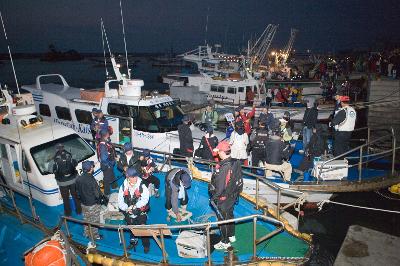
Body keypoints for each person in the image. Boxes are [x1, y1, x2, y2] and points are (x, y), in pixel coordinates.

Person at [209, 141, 243, 250]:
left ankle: (225, 242)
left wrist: (213, 198)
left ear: (222, 152)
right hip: (232, 196)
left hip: (223, 198)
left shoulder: (224, 167)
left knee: (222, 220)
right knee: (230, 215)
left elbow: (219, 187)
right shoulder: (235, 162)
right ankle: (231, 235)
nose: (217, 153)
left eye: (218, 151)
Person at [118, 167, 150, 252]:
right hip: (129, 212)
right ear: (127, 177)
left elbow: (145, 199)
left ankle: (146, 245)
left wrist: (136, 206)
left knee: (143, 228)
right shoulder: (123, 186)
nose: (135, 178)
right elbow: (120, 201)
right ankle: (133, 243)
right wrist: (126, 208)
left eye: (135, 176)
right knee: (132, 229)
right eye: (132, 177)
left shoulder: (142, 186)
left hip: (139, 211)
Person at [53, 143, 82, 216]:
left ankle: (68, 213)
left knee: (65, 199)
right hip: (73, 180)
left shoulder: (55, 159)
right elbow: (75, 163)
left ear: (56, 149)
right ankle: (79, 211)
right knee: (75, 196)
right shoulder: (69, 155)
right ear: (63, 148)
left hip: (62, 183)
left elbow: (54, 170)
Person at [76, 160, 102, 240]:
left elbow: (77, 191)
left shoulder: (79, 178)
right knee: (94, 221)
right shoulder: (91, 179)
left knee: (86, 219)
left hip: (83, 203)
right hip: (92, 204)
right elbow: (97, 194)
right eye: (92, 166)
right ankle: (95, 236)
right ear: (90, 168)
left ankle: (86, 233)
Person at [97, 129, 117, 196]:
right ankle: (107, 193)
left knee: (112, 174)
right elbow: (103, 158)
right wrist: (110, 164)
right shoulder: (103, 146)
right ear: (105, 136)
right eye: (108, 134)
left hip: (109, 164)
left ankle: (114, 186)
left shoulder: (105, 142)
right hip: (107, 165)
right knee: (106, 179)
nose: (109, 134)